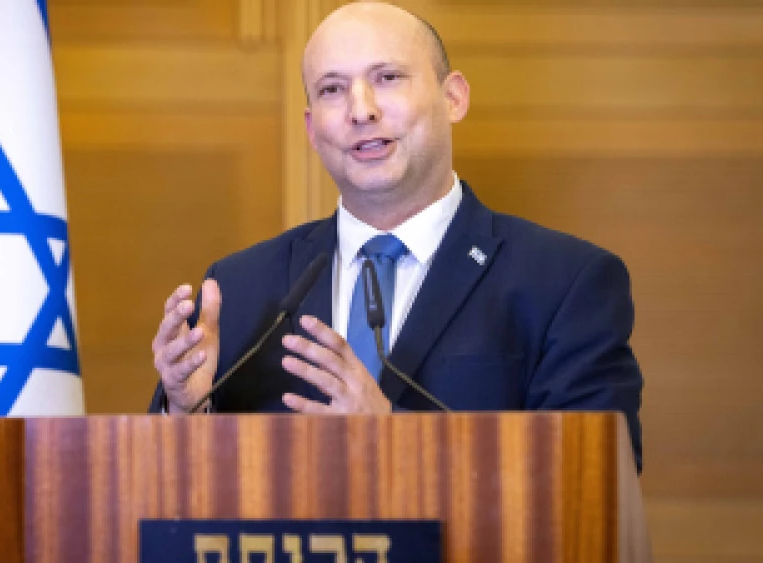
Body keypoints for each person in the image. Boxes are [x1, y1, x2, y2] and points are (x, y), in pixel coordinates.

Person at [148, 1, 643, 469]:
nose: (361, 110)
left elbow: (594, 474)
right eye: (332, 89)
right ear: (312, 129)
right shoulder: (240, 289)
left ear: (454, 98)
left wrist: (395, 437)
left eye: (387, 78)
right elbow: (169, 497)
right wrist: (186, 412)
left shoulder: (565, 283)